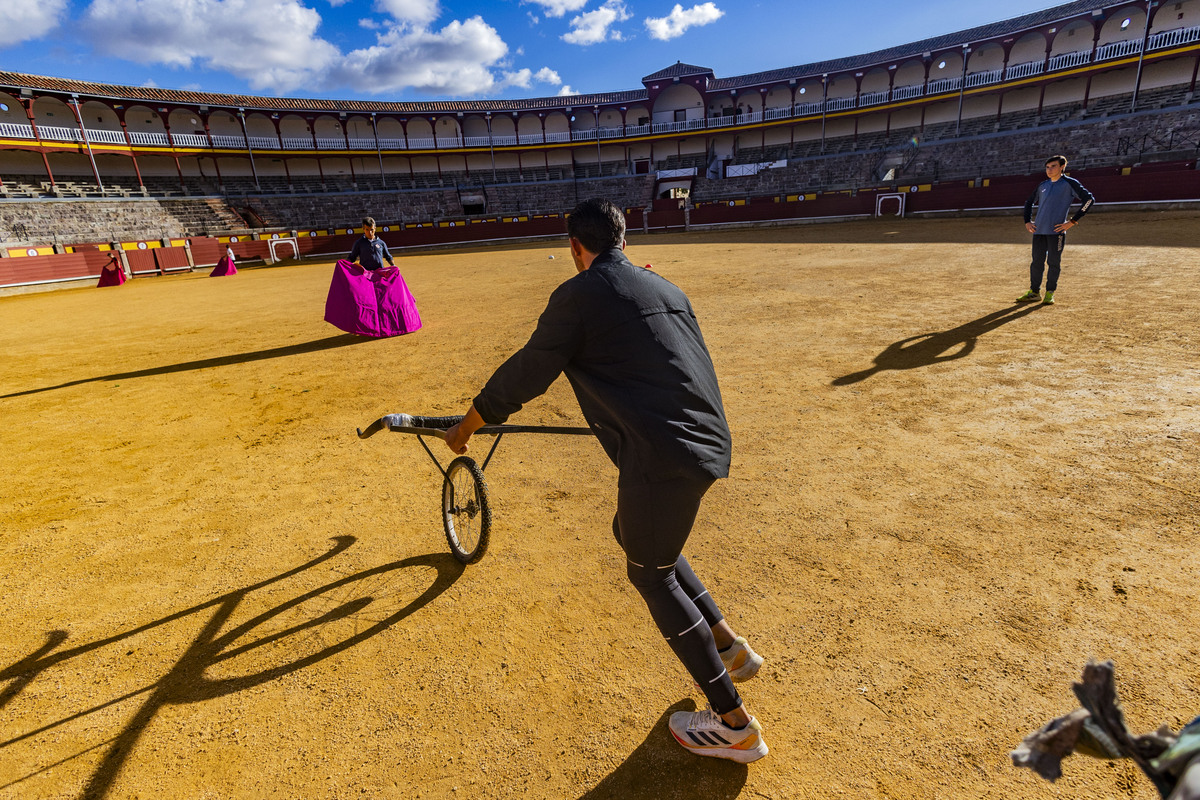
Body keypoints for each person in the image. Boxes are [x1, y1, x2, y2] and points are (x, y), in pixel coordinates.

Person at [443, 198, 768, 764]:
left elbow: (529, 369)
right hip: (705, 440)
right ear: (625, 239)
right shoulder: (663, 287)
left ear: (576, 247)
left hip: (661, 455)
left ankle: (734, 723)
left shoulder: (580, 294)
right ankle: (726, 643)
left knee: (649, 571)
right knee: (634, 535)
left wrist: (469, 423)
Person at [1017, 155, 1095, 306]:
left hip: (1056, 232)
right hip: (1039, 231)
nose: (1049, 169)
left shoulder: (1069, 183)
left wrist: (1072, 221)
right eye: (1047, 167)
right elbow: (1028, 202)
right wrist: (1027, 221)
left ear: (1062, 167)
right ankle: (1034, 292)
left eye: (1053, 166)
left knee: (1053, 262)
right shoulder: (1043, 185)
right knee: (1036, 262)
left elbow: (1089, 200)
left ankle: (1049, 292)